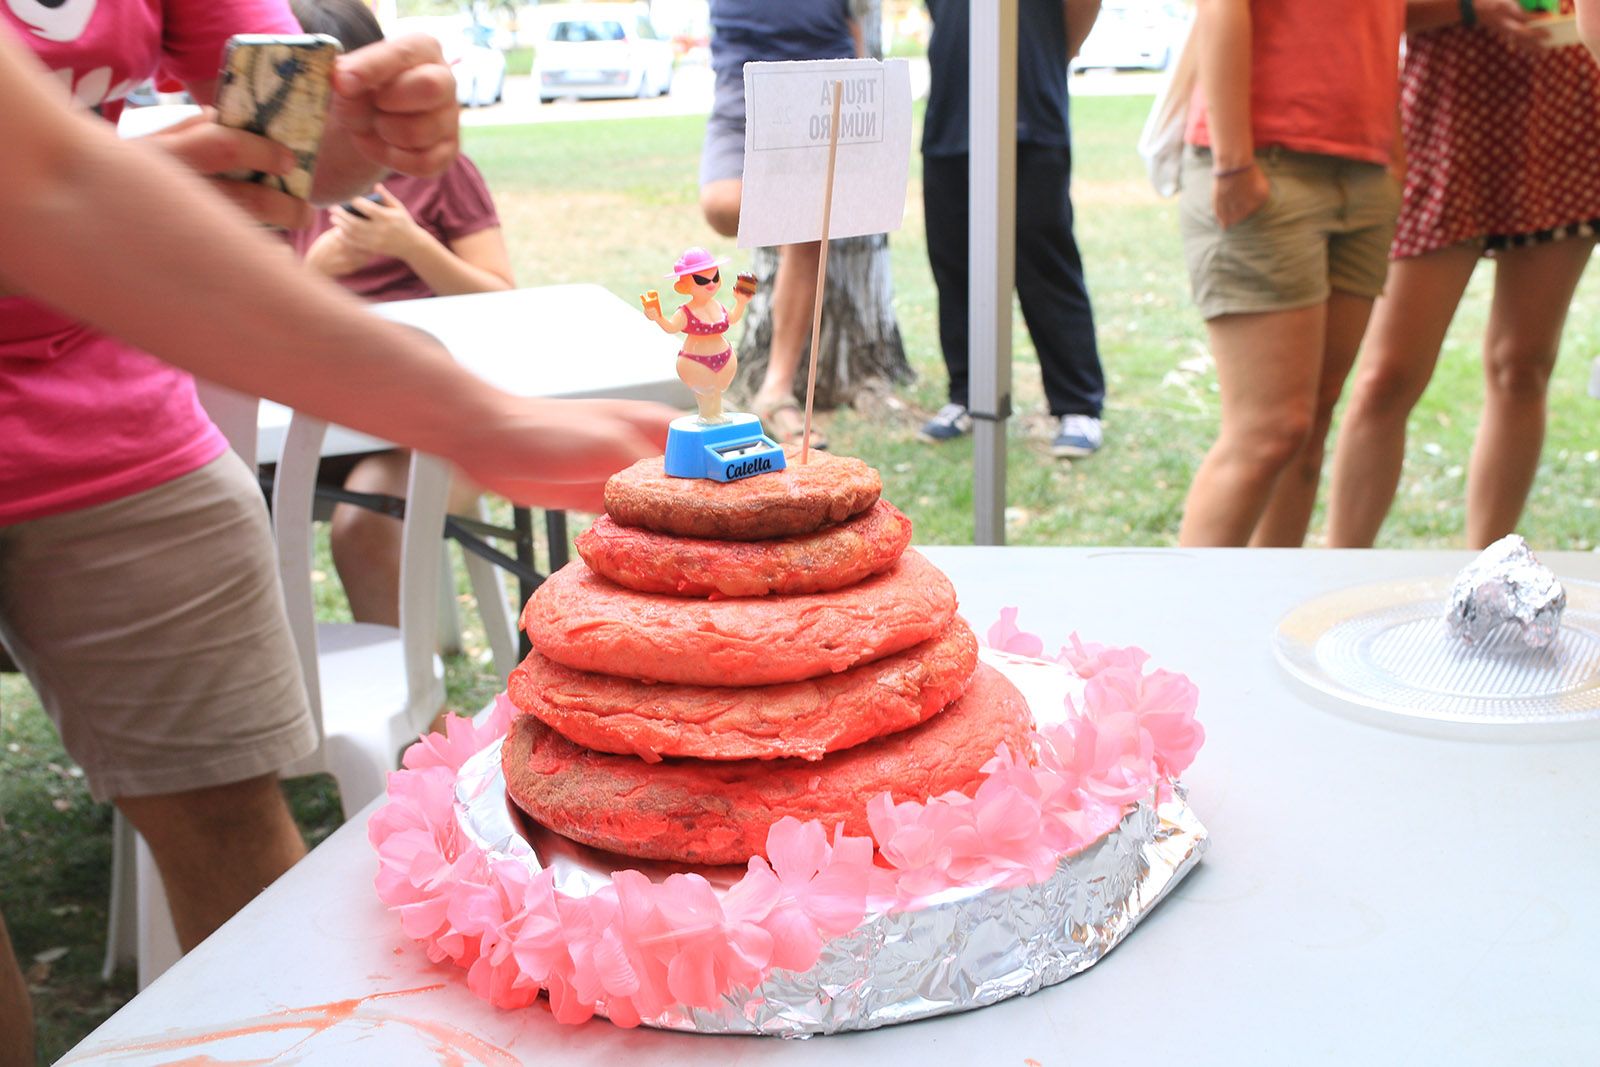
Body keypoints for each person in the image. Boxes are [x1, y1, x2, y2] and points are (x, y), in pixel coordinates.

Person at [0, 22, 672, 1062]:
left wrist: (347, 134)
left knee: (233, 814)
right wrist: (473, 417)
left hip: (114, 416)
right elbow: (48, 185)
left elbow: (274, 125)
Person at [1326, 2, 1593, 550]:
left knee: (1522, 367)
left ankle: (1488, 571)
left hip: (1563, 125)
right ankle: (1341, 563)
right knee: (1385, 378)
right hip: (1445, 126)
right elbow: (1367, 16)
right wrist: (1471, 7)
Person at [290, 0, 513, 625]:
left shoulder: (437, 169)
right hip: (307, 421)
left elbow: (502, 296)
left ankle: (410, 685)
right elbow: (244, 321)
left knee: (367, 521)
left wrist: (412, 244)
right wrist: (319, 269)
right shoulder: (266, 173)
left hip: (426, 421)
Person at [1175, 0, 1405, 547]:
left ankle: (1273, 595)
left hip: (1362, 165)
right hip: (1265, 162)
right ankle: (1184, 604)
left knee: (1308, 424)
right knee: (1267, 432)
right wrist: (1234, 161)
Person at [918, 0, 1108, 459]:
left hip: (1032, 116)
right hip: (951, 121)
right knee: (954, 266)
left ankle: (1077, 405)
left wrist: (1048, 52)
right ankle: (967, 394)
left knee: (1046, 264)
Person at [698, 0, 862, 450]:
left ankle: (776, 390)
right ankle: (793, 213)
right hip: (744, 89)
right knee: (720, 205)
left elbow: (854, 21)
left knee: (807, 231)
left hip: (823, 88)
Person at [643, 247, 755, 422]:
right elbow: (671, 327)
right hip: (695, 360)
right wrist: (657, 317)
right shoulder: (685, 312)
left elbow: (732, 318)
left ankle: (717, 413)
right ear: (684, 285)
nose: (711, 283)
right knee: (703, 392)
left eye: (715, 277)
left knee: (716, 391)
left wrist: (741, 302)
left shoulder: (717, 306)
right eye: (701, 280)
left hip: (724, 357)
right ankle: (706, 415)